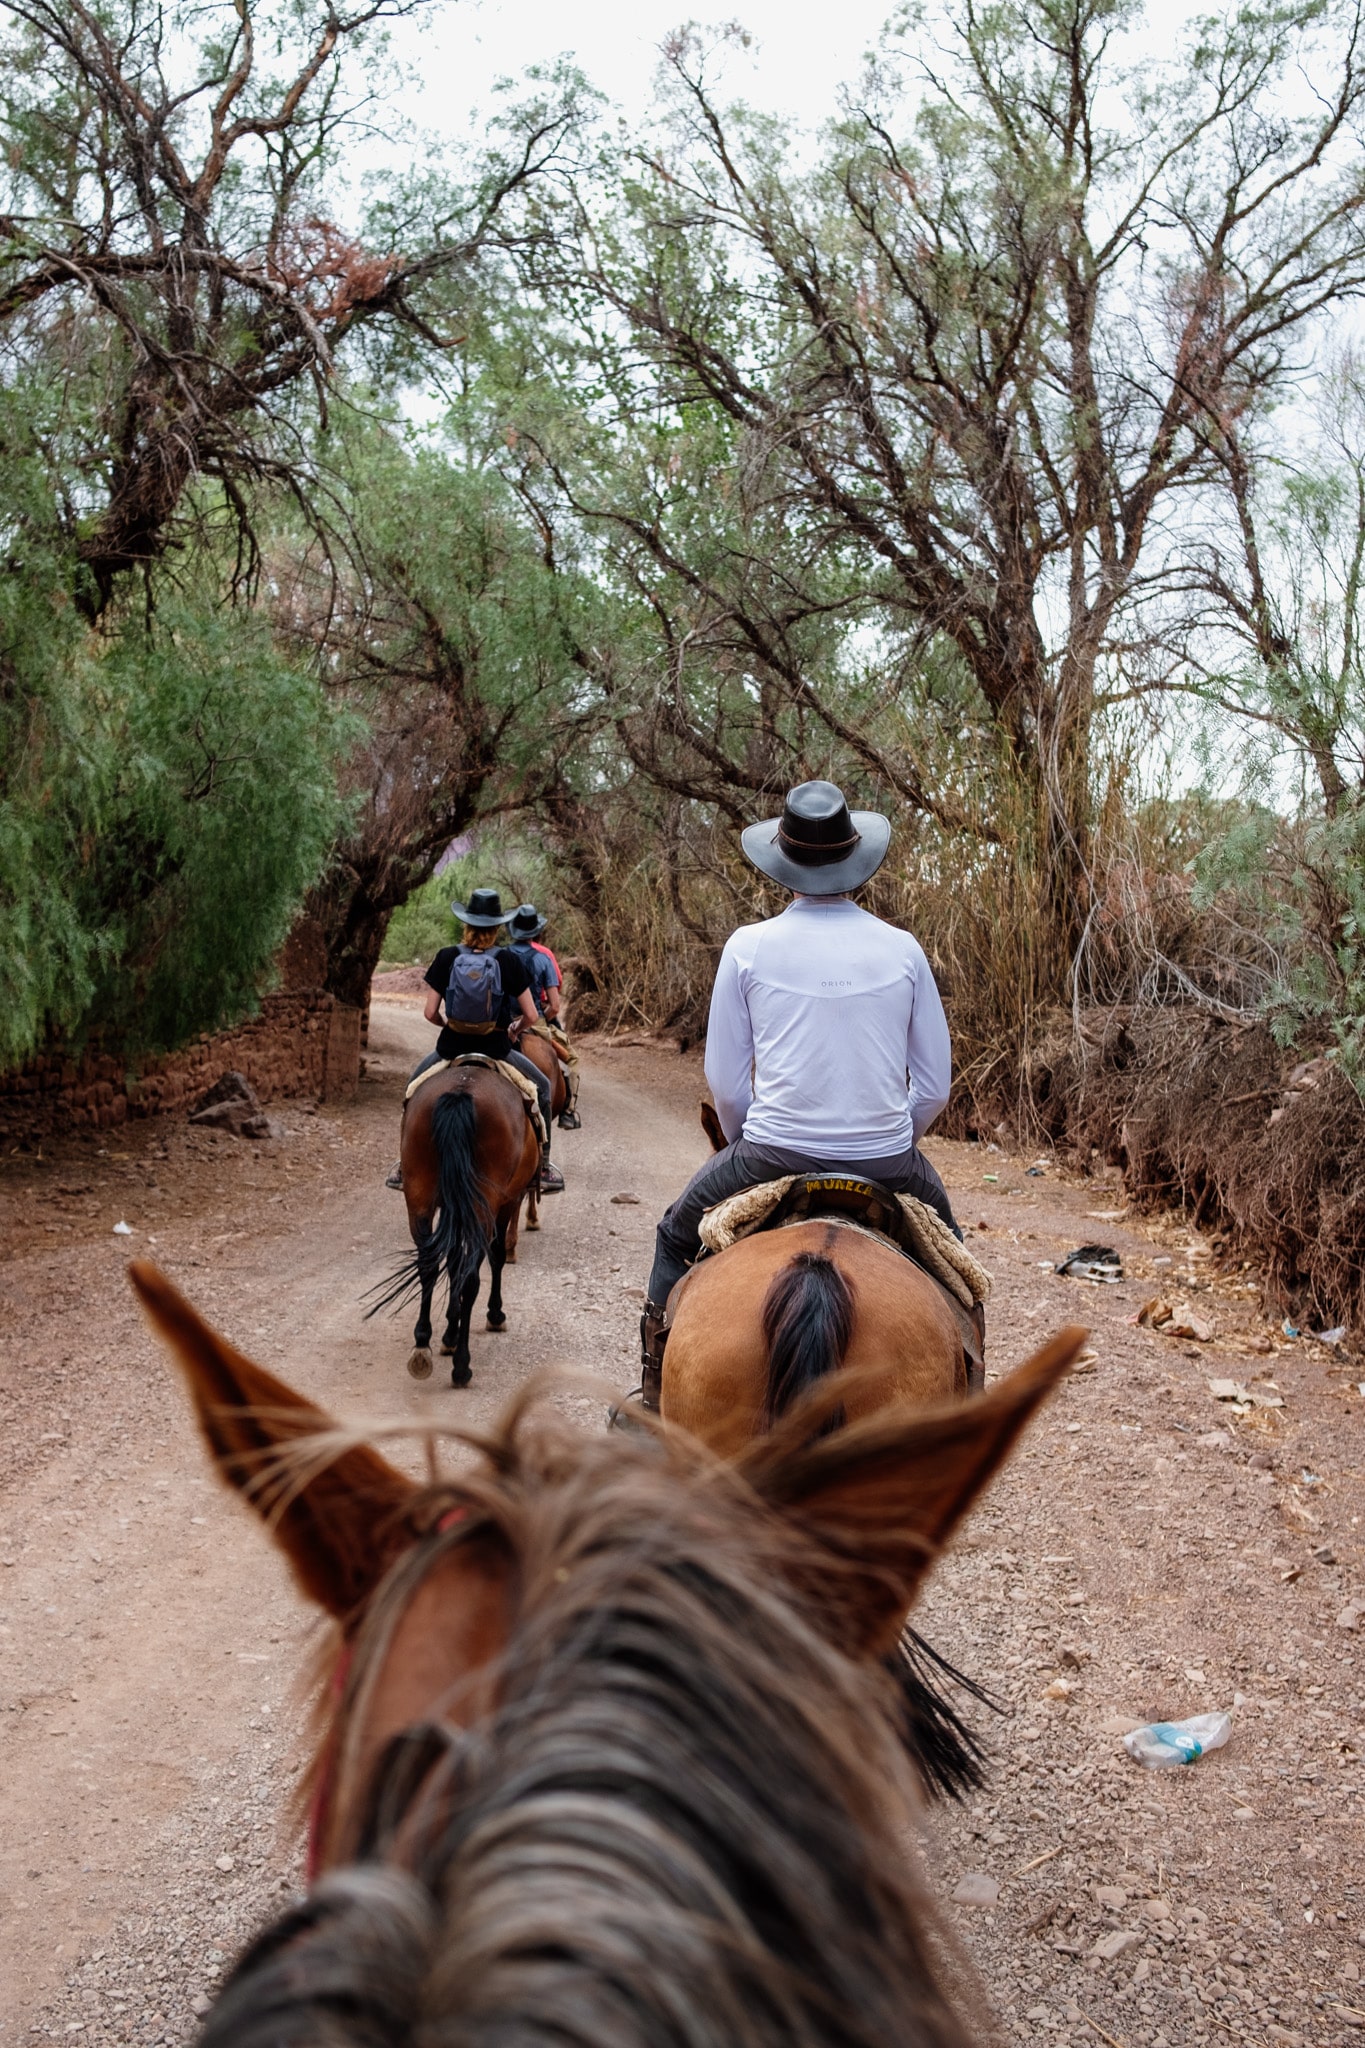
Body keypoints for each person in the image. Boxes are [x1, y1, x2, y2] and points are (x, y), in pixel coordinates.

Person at [639, 780, 962, 1405]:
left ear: (783, 866)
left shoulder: (747, 947)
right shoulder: (903, 950)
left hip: (770, 1153)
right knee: (956, 1266)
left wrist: (749, 1149)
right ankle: (967, 1395)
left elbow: (727, 1083)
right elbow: (934, 1087)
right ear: (856, 864)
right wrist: (888, 1142)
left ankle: (653, 1395)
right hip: (886, 1160)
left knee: (675, 1236)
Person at [384, 887, 564, 1194]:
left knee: (412, 1092)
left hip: (450, 1047)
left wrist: (447, 1025)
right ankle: (544, 1168)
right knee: (543, 1090)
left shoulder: (446, 957)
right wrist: (515, 1029)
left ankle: (404, 1166)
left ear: (466, 925)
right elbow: (532, 1015)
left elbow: (429, 1012)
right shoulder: (507, 961)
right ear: (496, 928)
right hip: (497, 1048)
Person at [507, 902, 582, 1130]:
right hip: (535, 1021)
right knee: (573, 1061)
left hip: (504, 1020)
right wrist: (544, 1017)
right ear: (536, 932)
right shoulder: (543, 959)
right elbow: (556, 1005)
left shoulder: (501, 954)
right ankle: (568, 1112)